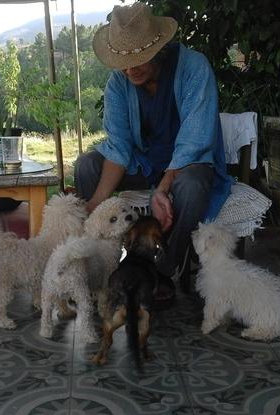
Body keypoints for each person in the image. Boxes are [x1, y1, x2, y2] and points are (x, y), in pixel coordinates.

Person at [76, 3, 232, 306]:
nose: (130, 68)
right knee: (86, 166)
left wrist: (163, 188)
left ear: (157, 48)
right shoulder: (119, 84)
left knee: (192, 185)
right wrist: (95, 205)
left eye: (138, 59)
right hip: (144, 163)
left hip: (189, 162)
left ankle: (163, 268)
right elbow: (119, 147)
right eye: (124, 61)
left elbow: (195, 139)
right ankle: (106, 260)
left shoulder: (194, 68)